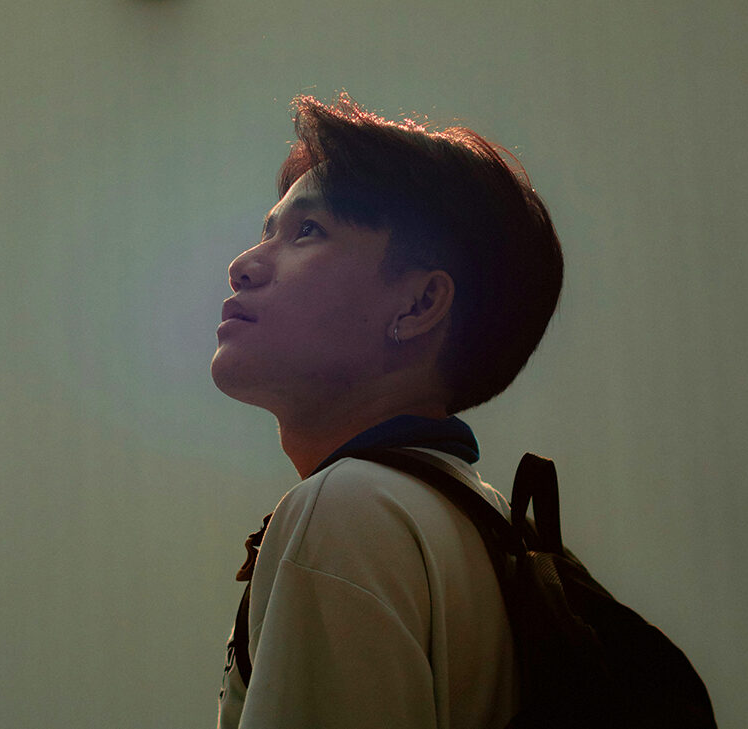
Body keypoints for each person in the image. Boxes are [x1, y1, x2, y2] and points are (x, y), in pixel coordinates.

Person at [211, 93, 564, 729]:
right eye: (267, 232)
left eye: (308, 231)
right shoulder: (489, 525)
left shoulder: (348, 508)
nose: (243, 266)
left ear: (419, 304)